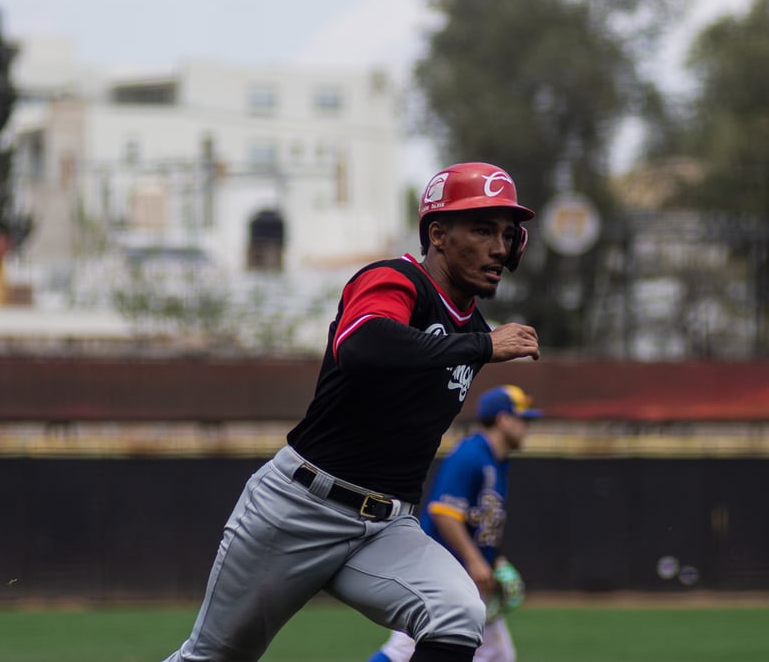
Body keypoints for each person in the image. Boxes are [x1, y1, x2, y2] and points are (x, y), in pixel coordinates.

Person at [162, 161, 540, 662]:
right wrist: (479, 346)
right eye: (482, 229)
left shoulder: (474, 330)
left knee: (457, 611)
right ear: (439, 235)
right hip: (299, 509)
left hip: (386, 527)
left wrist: (476, 343)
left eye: (507, 234)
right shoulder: (395, 279)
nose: (498, 247)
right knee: (213, 658)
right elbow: (363, 345)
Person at [367, 384, 542, 662]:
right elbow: (444, 512)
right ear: (503, 420)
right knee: (403, 650)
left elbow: (477, 523)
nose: (527, 427)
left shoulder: (496, 462)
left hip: (465, 579)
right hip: (441, 574)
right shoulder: (471, 455)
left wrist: (494, 560)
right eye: (523, 419)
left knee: (498, 654)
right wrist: (475, 560)